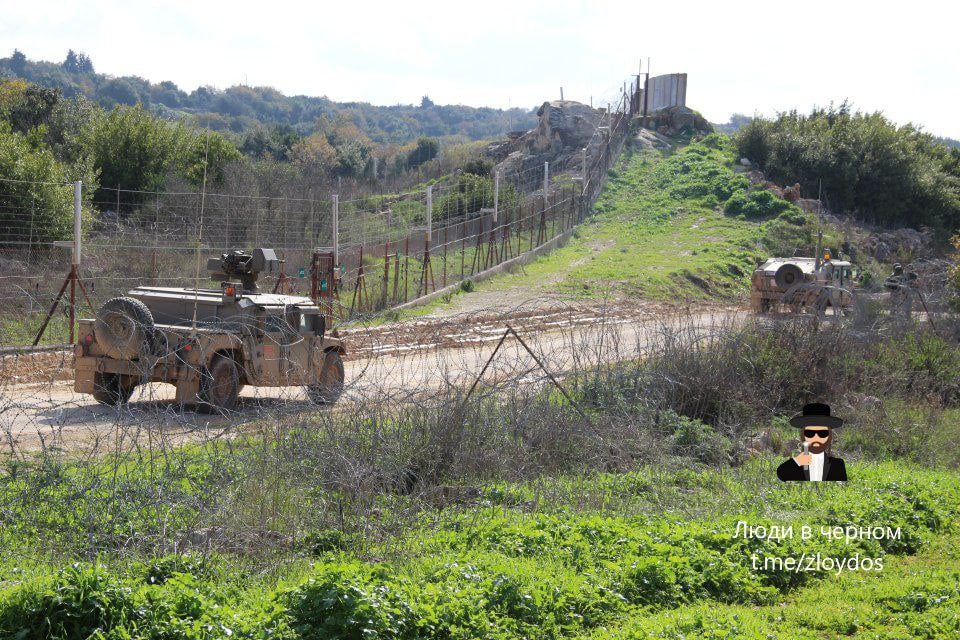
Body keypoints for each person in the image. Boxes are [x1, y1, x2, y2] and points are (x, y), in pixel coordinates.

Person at [777, 403, 847, 481]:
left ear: (829, 436)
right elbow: (781, 474)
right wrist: (797, 461)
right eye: (810, 433)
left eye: (822, 433)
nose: (816, 437)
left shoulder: (838, 465)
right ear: (803, 435)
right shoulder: (795, 464)